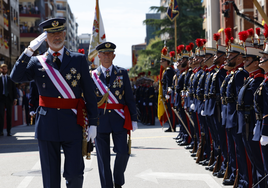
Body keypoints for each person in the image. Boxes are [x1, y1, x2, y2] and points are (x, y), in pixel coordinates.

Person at [10, 18, 98, 188]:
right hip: (47, 124)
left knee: (75, 174)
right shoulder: (37, 61)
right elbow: (16, 77)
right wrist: (29, 51)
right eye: (52, 34)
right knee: (50, 177)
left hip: (73, 123)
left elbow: (89, 93)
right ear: (45, 37)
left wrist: (93, 123)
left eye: (59, 33)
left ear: (64, 33)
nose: (56, 37)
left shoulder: (78, 59)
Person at [91, 42, 138, 188]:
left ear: (114, 56)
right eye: (103, 53)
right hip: (100, 120)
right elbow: (89, 100)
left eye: (109, 53)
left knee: (123, 152)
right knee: (103, 158)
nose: (106, 56)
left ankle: (118, 181)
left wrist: (134, 118)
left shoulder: (122, 73)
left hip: (119, 119)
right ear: (98, 56)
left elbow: (129, 98)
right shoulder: (92, 75)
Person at [0, 64, 17, 136]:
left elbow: (14, 89)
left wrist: (15, 99)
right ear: (0, 69)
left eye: (5, 69)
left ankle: (9, 131)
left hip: (9, 98)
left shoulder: (10, 78)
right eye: (2, 69)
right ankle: (1, 131)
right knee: (1, 115)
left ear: (7, 69)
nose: (4, 70)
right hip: (1, 99)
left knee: (9, 115)